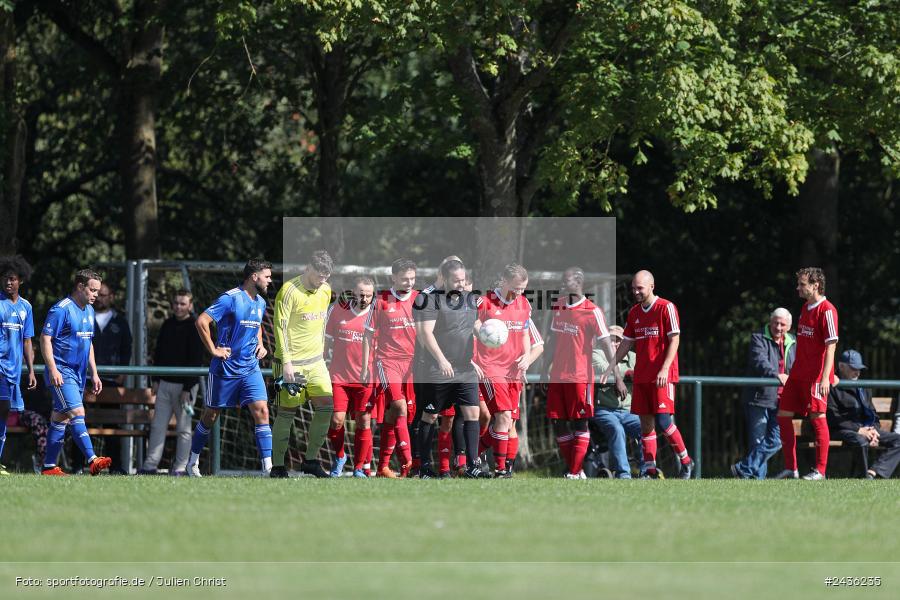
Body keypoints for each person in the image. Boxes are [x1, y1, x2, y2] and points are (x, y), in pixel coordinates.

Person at [186, 259, 273, 477]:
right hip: (225, 368)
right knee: (211, 415)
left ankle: (268, 468)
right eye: (267, 276)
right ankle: (192, 462)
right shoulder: (230, 298)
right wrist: (214, 350)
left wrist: (260, 344)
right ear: (255, 277)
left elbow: (257, 325)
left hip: (250, 368)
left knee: (262, 411)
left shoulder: (260, 302)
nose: (270, 280)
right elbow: (202, 321)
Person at [604, 270, 694, 479]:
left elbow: (675, 340)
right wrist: (611, 366)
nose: (635, 291)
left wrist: (664, 368)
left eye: (639, 288)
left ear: (652, 286)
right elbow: (626, 341)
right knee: (646, 425)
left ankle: (687, 461)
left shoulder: (666, 308)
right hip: (642, 376)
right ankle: (650, 469)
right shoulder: (635, 312)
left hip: (662, 376)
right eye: (633, 287)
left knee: (663, 421)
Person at [544, 267, 624, 479]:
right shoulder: (559, 306)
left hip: (580, 378)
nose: (562, 284)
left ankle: (573, 471)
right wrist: (544, 371)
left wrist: (616, 374)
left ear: (578, 282)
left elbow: (607, 345)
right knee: (558, 422)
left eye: (566, 280)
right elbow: (552, 342)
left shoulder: (593, 311)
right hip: (558, 377)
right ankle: (576, 470)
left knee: (580, 422)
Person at [414, 259, 489, 478]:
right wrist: (441, 360)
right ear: (444, 279)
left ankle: (473, 465)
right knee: (430, 415)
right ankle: (426, 467)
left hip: (465, 369)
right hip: (439, 369)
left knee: (472, 413)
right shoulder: (431, 300)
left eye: (463, 280)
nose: (460, 284)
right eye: (456, 280)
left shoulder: (470, 299)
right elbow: (426, 334)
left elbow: (471, 326)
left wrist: (486, 332)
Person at [39, 268, 112, 476]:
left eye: (98, 291)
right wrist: (53, 369)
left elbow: (88, 343)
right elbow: (45, 339)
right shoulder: (61, 309)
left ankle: (49, 467)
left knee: (59, 418)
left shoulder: (89, 310)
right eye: (92, 290)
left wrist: (95, 373)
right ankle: (93, 459)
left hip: (79, 375)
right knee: (77, 413)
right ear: (80, 287)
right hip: (62, 372)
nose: (96, 295)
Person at [270, 250, 334, 478]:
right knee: (286, 412)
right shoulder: (288, 291)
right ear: (308, 268)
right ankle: (277, 466)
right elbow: (280, 328)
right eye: (319, 275)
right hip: (291, 363)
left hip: (316, 362)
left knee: (326, 406)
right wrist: (286, 362)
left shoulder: (326, 290)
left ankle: (311, 461)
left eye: (326, 276)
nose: (322, 281)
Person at [475, 264, 543, 477]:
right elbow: (471, 325)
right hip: (490, 367)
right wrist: (482, 332)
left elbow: (524, 334)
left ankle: (472, 454)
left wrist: (526, 359)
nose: (519, 292)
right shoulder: (484, 302)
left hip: (514, 370)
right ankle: (501, 469)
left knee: (508, 421)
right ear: (503, 280)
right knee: (503, 417)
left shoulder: (523, 303)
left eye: (523, 288)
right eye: (516, 287)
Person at [775, 267, 838, 480]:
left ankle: (820, 471)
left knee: (818, 417)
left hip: (815, 377)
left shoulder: (827, 310)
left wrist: (825, 378)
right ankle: (791, 469)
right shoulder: (805, 307)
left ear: (816, 285)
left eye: (802, 284)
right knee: (782, 414)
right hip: (798, 374)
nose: (798, 288)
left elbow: (831, 346)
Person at [363, 258, 418, 478]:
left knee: (395, 414)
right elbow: (367, 333)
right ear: (394, 277)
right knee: (399, 406)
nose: (410, 282)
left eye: (413, 278)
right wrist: (367, 365)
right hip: (387, 361)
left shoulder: (419, 299)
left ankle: (382, 467)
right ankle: (408, 463)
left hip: (413, 364)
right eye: (405, 278)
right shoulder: (381, 300)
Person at [139, 289, 205, 475]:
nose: (178, 307)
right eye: (176, 303)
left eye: (183, 303)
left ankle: (181, 468)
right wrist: (156, 379)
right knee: (158, 426)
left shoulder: (195, 326)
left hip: (185, 387)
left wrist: (188, 388)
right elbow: (158, 353)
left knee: (184, 429)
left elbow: (196, 360)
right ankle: (150, 466)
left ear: (190, 305)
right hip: (164, 384)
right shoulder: (167, 324)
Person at [731, 308, 796, 479]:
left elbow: (797, 366)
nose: (778, 327)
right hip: (759, 398)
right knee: (758, 441)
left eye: (783, 324)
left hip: (783, 400)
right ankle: (758, 480)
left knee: (777, 439)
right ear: (770, 322)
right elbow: (760, 361)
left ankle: (744, 469)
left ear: (789, 326)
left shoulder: (793, 341)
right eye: (776, 322)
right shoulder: (758, 337)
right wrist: (777, 374)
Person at [324, 276, 376, 478]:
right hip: (339, 376)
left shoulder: (376, 315)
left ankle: (358, 468)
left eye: (368, 295)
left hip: (365, 378)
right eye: (361, 294)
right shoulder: (337, 311)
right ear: (353, 292)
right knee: (337, 420)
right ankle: (339, 456)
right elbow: (326, 343)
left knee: (364, 422)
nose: (364, 298)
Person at [827, 349, 900, 479]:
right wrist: (859, 429)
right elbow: (832, 416)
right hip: (842, 429)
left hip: (866, 429)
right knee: (860, 441)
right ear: (841, 366)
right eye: (853, 368)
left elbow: (872, 413)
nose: (858, 372)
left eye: (859, 368)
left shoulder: (863, 386)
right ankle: (863, 476)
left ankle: (874, 471)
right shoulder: (831, 385)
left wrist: (873, 430)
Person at [90, 282, 133, 473]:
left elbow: (127, 349)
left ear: (112, 297)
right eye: (97, 294)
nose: (100, 298)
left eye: (104, 295)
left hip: (111, 380)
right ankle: (79, 465)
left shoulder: (120, 322)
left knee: (112, 426)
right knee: (81, 422)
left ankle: (114, 467)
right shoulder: (84, 316)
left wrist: (122, 374)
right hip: (86, 379)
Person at [0, 256, 37, 475]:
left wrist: (31, 369)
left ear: (20, 281)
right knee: (3, 408)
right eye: (5, 278)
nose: (8, 282)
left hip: (14, 370)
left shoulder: (26, 307)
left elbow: (27, 340)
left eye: (12, 279)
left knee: (4, 413)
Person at [591, 325, 641, 479]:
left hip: (629, 411)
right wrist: (628, 374)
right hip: (604, 409)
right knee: (617, 429)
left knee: (646, 428)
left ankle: (647, 470)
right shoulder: (596, 354)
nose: (614, 343)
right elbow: (603, 369)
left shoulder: (633, 356)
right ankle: (624, 474)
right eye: (610, 339)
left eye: (618, 340)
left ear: (624, 342)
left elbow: (643, 371)